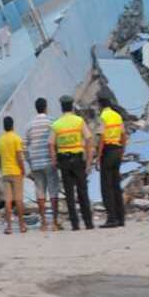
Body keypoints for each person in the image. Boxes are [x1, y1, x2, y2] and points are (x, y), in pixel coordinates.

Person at [50, 95, 95, 231]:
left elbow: (51, 144)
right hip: (78, 160)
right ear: (71, 106)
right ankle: (88, 223)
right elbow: (88, 139)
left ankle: (75, 224)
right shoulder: (79, 121)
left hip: (64, 161)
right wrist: (88, 160)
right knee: (82, 192)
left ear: (61, 107)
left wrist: (54, 161)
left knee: (69, 193)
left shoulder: (56, 124)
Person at [26, 97, 62, 231]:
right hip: (49, 162)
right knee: (53, 191)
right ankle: (54, 222)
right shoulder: (52, 121)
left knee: (40, 192)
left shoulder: (29, 125)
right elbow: (57, 140)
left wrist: (30, 161)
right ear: (46, 107)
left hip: (36, 163)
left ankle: (43, 224)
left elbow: (24, 146)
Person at [97, 90, 128, 228]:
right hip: (117, 150)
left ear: (100, 104)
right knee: (116, 186)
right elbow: (123, 136)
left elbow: (102, 138)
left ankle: (111, 218)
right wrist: (122, 151)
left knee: (106, 186)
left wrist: (98, 157)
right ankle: (121, 218)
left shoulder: (103, 116)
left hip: (108, 151)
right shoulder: (117, 115)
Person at [0, 116, 27, 235]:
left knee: (8, 201)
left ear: (4, 126)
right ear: (13, 125)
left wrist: (2, 170)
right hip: (16, 172)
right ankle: (22, 226)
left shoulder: (0, 141)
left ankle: (9, 227)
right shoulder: (16, 138)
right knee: (18, 199)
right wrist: (23, 169)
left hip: (5, 172)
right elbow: (19, 157)